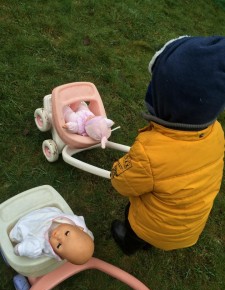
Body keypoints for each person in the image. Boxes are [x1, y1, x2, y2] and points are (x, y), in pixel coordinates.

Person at [110, 36, 225, 255]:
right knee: (162, 215)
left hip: (155, 225)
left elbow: (121, 182)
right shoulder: (216, 133)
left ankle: (130, 243)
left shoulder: (149, 152)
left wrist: (120, 167)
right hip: (189, 228)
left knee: (133, 220)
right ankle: (150, 242)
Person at [9, 207, 94, 265]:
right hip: (49, 214)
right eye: (67, 233)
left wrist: (21, 249)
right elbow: (84, 231)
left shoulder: (42, 242)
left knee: (20, 234)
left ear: (58, 254)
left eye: (59, 245)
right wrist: (88, 235)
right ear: (79, 228)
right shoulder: (76, 222)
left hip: (32, 225)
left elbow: (33, 247)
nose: (59, 237)